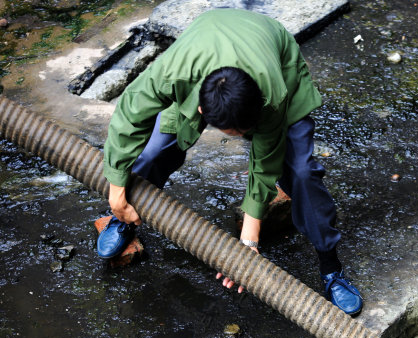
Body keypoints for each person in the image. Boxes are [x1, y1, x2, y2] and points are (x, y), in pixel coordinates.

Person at [96, 8, 363, 316]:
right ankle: (123, 217)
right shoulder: (175, 73)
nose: (244, 138)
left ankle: (331, 268)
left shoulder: (271, 96)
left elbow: (264, 165)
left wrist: (248, 242)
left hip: (271, 49)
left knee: (301, 174)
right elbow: (129, 115)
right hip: (207, 40)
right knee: (156, 149)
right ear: (201, 111)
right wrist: (116, 193)